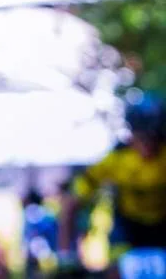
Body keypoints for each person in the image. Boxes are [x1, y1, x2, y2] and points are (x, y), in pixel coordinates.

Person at [61, 94, 166, 274]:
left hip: (162, 226)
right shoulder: (116, 159)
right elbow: (73, 200)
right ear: (132, 134)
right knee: (116, 269)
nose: (147, 146)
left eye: (153, 138)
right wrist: (65, 252)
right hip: (127, 226)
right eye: (142, 137)